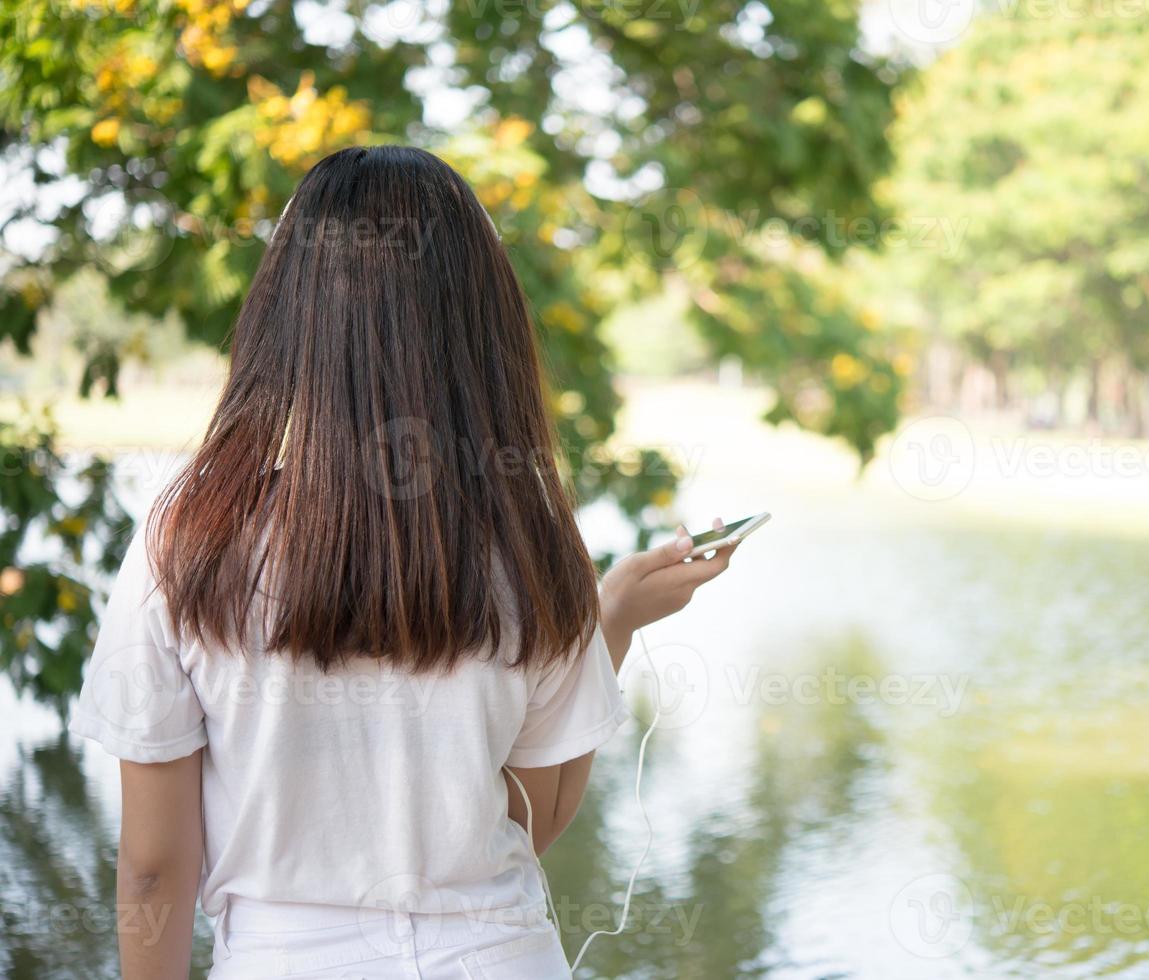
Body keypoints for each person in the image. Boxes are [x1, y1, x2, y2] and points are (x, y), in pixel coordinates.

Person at [67, 145, 737, 979]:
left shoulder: (191, 534)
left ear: (287, 316)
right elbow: (532, 822)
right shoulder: (533, 538)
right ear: (481, 324)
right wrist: (613, 618)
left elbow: (153, 868)